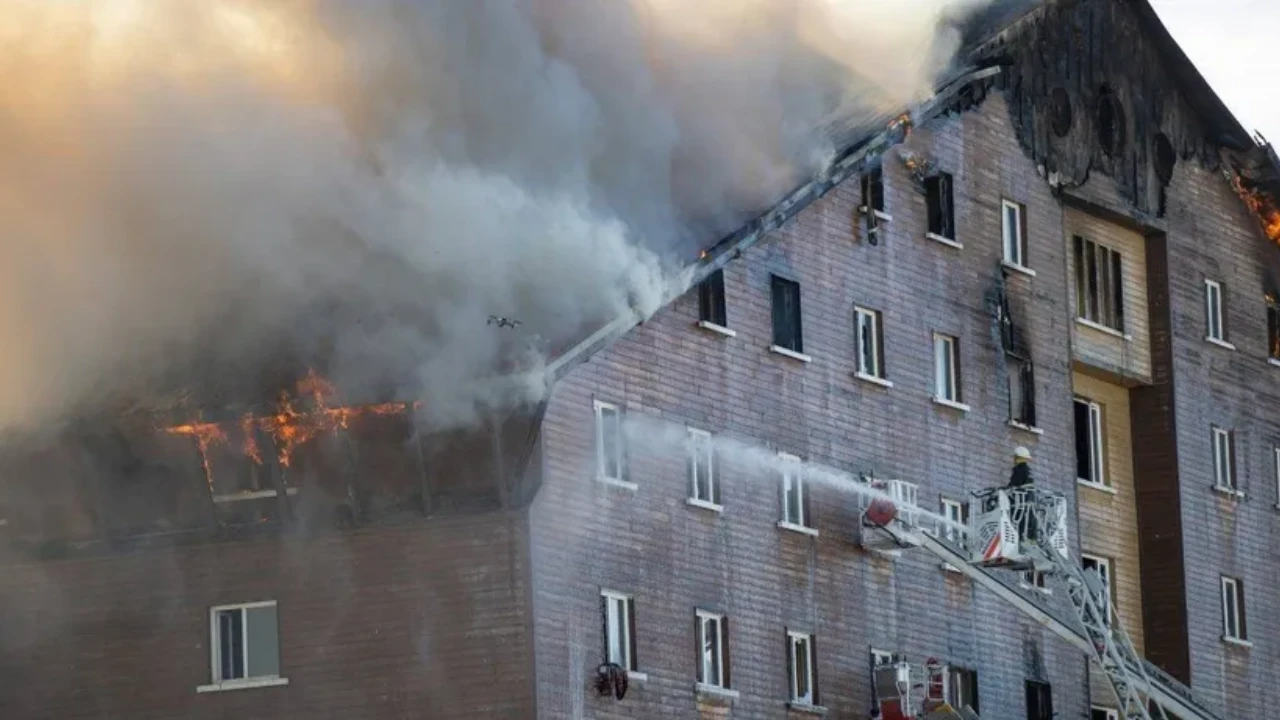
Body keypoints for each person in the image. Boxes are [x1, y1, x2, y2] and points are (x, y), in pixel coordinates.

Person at [1007, 446, 1038, 544]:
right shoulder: (1028, 470)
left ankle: (1020, 539)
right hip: (1030, 499)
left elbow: (1015, 484)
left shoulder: (1020, 469)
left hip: (1021, 501)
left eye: (1015, 457)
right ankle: (1032, 538)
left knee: (1018, 520)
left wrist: (1005, 490)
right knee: (1030, 520)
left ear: (1018, 457)